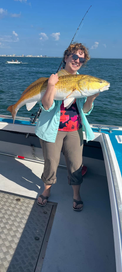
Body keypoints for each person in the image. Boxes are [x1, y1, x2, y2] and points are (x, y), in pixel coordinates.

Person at [35, 43, 98, 211]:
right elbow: (46, 106)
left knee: (76, 164)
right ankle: (47, 191)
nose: (77, 61)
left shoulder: (82, 81)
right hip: (52, 129)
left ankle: (76, 195)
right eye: (74, 57)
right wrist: (50, 85)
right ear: (66, 57)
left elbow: (85, 110)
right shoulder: (54, 78)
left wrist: (91, 98)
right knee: (51, 163)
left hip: (74, 129)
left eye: (81, 59)